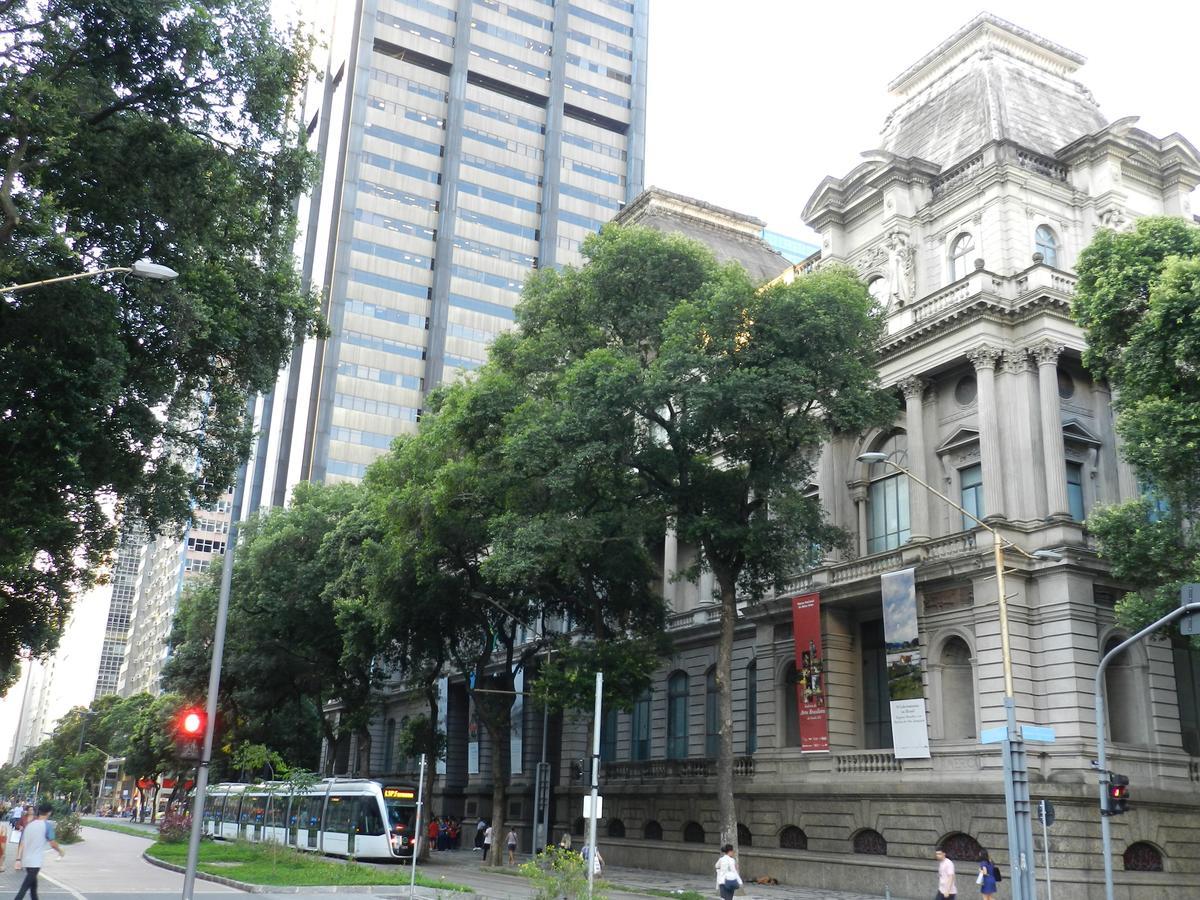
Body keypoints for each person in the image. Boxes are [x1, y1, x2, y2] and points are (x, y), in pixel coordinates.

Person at [14, 802, 64, 900]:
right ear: (49, 813)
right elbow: (52, 843)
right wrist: (60, 851)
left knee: (33, 887)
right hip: (35, 861)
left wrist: (18, 859)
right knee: (24, 888)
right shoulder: (47, 826)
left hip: (26, 860)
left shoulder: (29, 825)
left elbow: (22, 843)